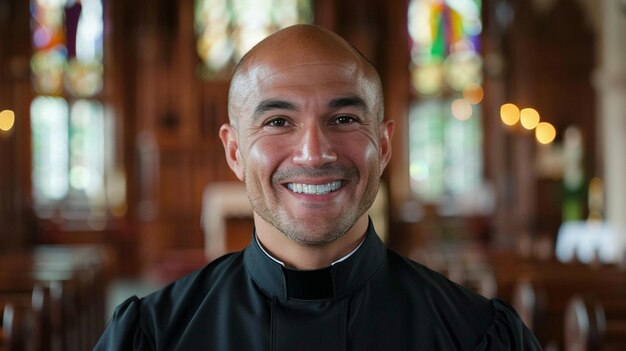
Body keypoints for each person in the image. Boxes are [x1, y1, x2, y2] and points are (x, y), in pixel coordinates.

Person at [95, 24, 540, 350]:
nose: (313, 153)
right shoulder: (153, 336)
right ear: (234, 152)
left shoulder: (477, 335)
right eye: (278, 122)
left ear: (383, 146)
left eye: (343, 119)